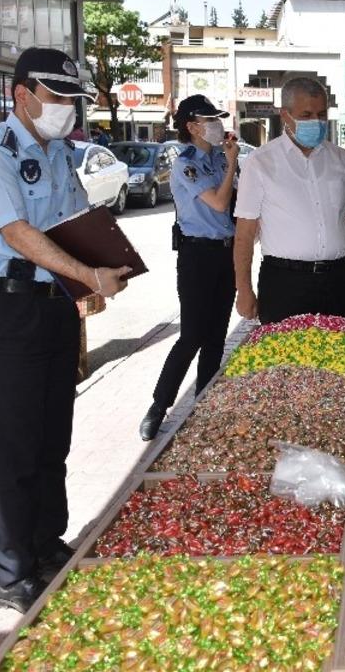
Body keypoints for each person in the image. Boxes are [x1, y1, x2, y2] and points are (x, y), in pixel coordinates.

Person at [0, 48, 131, 612]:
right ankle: (12, 571)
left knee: (53, 436)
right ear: (22, 95)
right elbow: (18, 234)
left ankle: (45, 542)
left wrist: (91, 283)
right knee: (15, 447)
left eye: (71, 101)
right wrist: (86, 275)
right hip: (8, 312)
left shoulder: (59, 154)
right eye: (57, 99)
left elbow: (73, 224)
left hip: (54, 307)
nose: (66, 111)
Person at [233, 77, 345, 323]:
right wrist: (244, 290)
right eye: (306, 115)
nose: (316, 121)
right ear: (285, 115)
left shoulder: (343, 160)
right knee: (283, 360)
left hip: (337, 280)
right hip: (284, 283)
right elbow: (244, 234)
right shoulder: (260, 163)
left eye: (322, 114)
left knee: (339, 356)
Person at [139, 95, 238, 441]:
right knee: (192, 335)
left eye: (218, 119)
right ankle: (159, 406)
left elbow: (238, 205)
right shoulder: (187, 164)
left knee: (216, 338)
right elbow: (219, 201)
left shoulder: (221, 159)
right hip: (197, 256)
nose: (217, 125)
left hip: (226, 254)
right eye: (210, 120)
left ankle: (204, 405)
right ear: (192, 126)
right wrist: (232, 163)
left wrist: (231, 164)